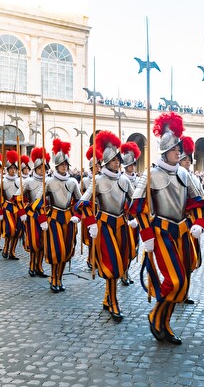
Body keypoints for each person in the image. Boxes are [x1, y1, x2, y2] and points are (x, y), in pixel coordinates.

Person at [130, 112, 204, 345]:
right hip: (162, 233)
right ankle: (156, 315)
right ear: (165, 151)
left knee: (182, 283)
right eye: (175, 148)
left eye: (179, 148)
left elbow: (197, 202)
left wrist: (199, 222)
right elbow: (137, 207)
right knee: (174, 280)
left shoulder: (185, 173)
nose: (178, 152)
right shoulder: (150, 174)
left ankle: (163, 321)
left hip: (183, 233)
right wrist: (146, 234)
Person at [77, 131, 135, 322]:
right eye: (113, 160)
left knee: (122, 263)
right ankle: (114, 301)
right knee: (113, 265)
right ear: (105, 162)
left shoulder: (125, 180)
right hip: (105, 226)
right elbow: (82, 204)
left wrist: (135, 217)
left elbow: (135, 203)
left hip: (122, 226)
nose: (117, 163)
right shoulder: (98, 180)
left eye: (118, 160)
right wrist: (91, 223)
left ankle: (106, 297)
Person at [43, 139, 82, 292]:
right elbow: (40, 203)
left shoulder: (73, 181)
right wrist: (42, 219)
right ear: (57, 166)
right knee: (56, 250)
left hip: (68, 218)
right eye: (62, 164)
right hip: (53, 217)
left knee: (66, 251)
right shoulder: (49, 182)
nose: (64, 166)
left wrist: (77, 215)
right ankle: (53, 277)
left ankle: (60, 277)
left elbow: (80, 202)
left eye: (66, 164)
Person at [178, 135, 204, 305]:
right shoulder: (176, 176)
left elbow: (201, 199)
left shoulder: (194, 178)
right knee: (179, 260)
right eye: (185, 158)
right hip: (178, 223)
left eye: (189, 158)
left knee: (190, 259)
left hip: (191, 223)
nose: (188, 161)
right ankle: (179, 291)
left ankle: (186, 292)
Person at [23, 147, 50, 277]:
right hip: (33, 215)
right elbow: (19, 197)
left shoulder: (49, 182)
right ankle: (32, 265)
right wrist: (24, 208)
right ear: (35, 169)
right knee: (34, 242)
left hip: (46, 216)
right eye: (40, 168)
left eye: (44, 168)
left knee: (43, 243)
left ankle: (39, 266)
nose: (42, 171)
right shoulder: (28, 182)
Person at [120, 141, 142, 286]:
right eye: (129, 165)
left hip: (136, 218)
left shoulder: (139, 180)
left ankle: (126, 269)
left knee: (134, 247)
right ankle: (124, 272)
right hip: (125, 217)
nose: (132, 167)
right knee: (125, 246)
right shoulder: (121, 179)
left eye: (133, 164)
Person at [81, 146, 102, 270]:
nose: (98, 168)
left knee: (99, 236)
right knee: (90, 237)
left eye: (99, 166)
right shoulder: (84, 181)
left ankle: (97, 258)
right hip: (88, 211)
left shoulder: (101, 179)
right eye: (95, 166)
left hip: (99, 210)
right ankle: (90, 257)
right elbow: (81, 197)